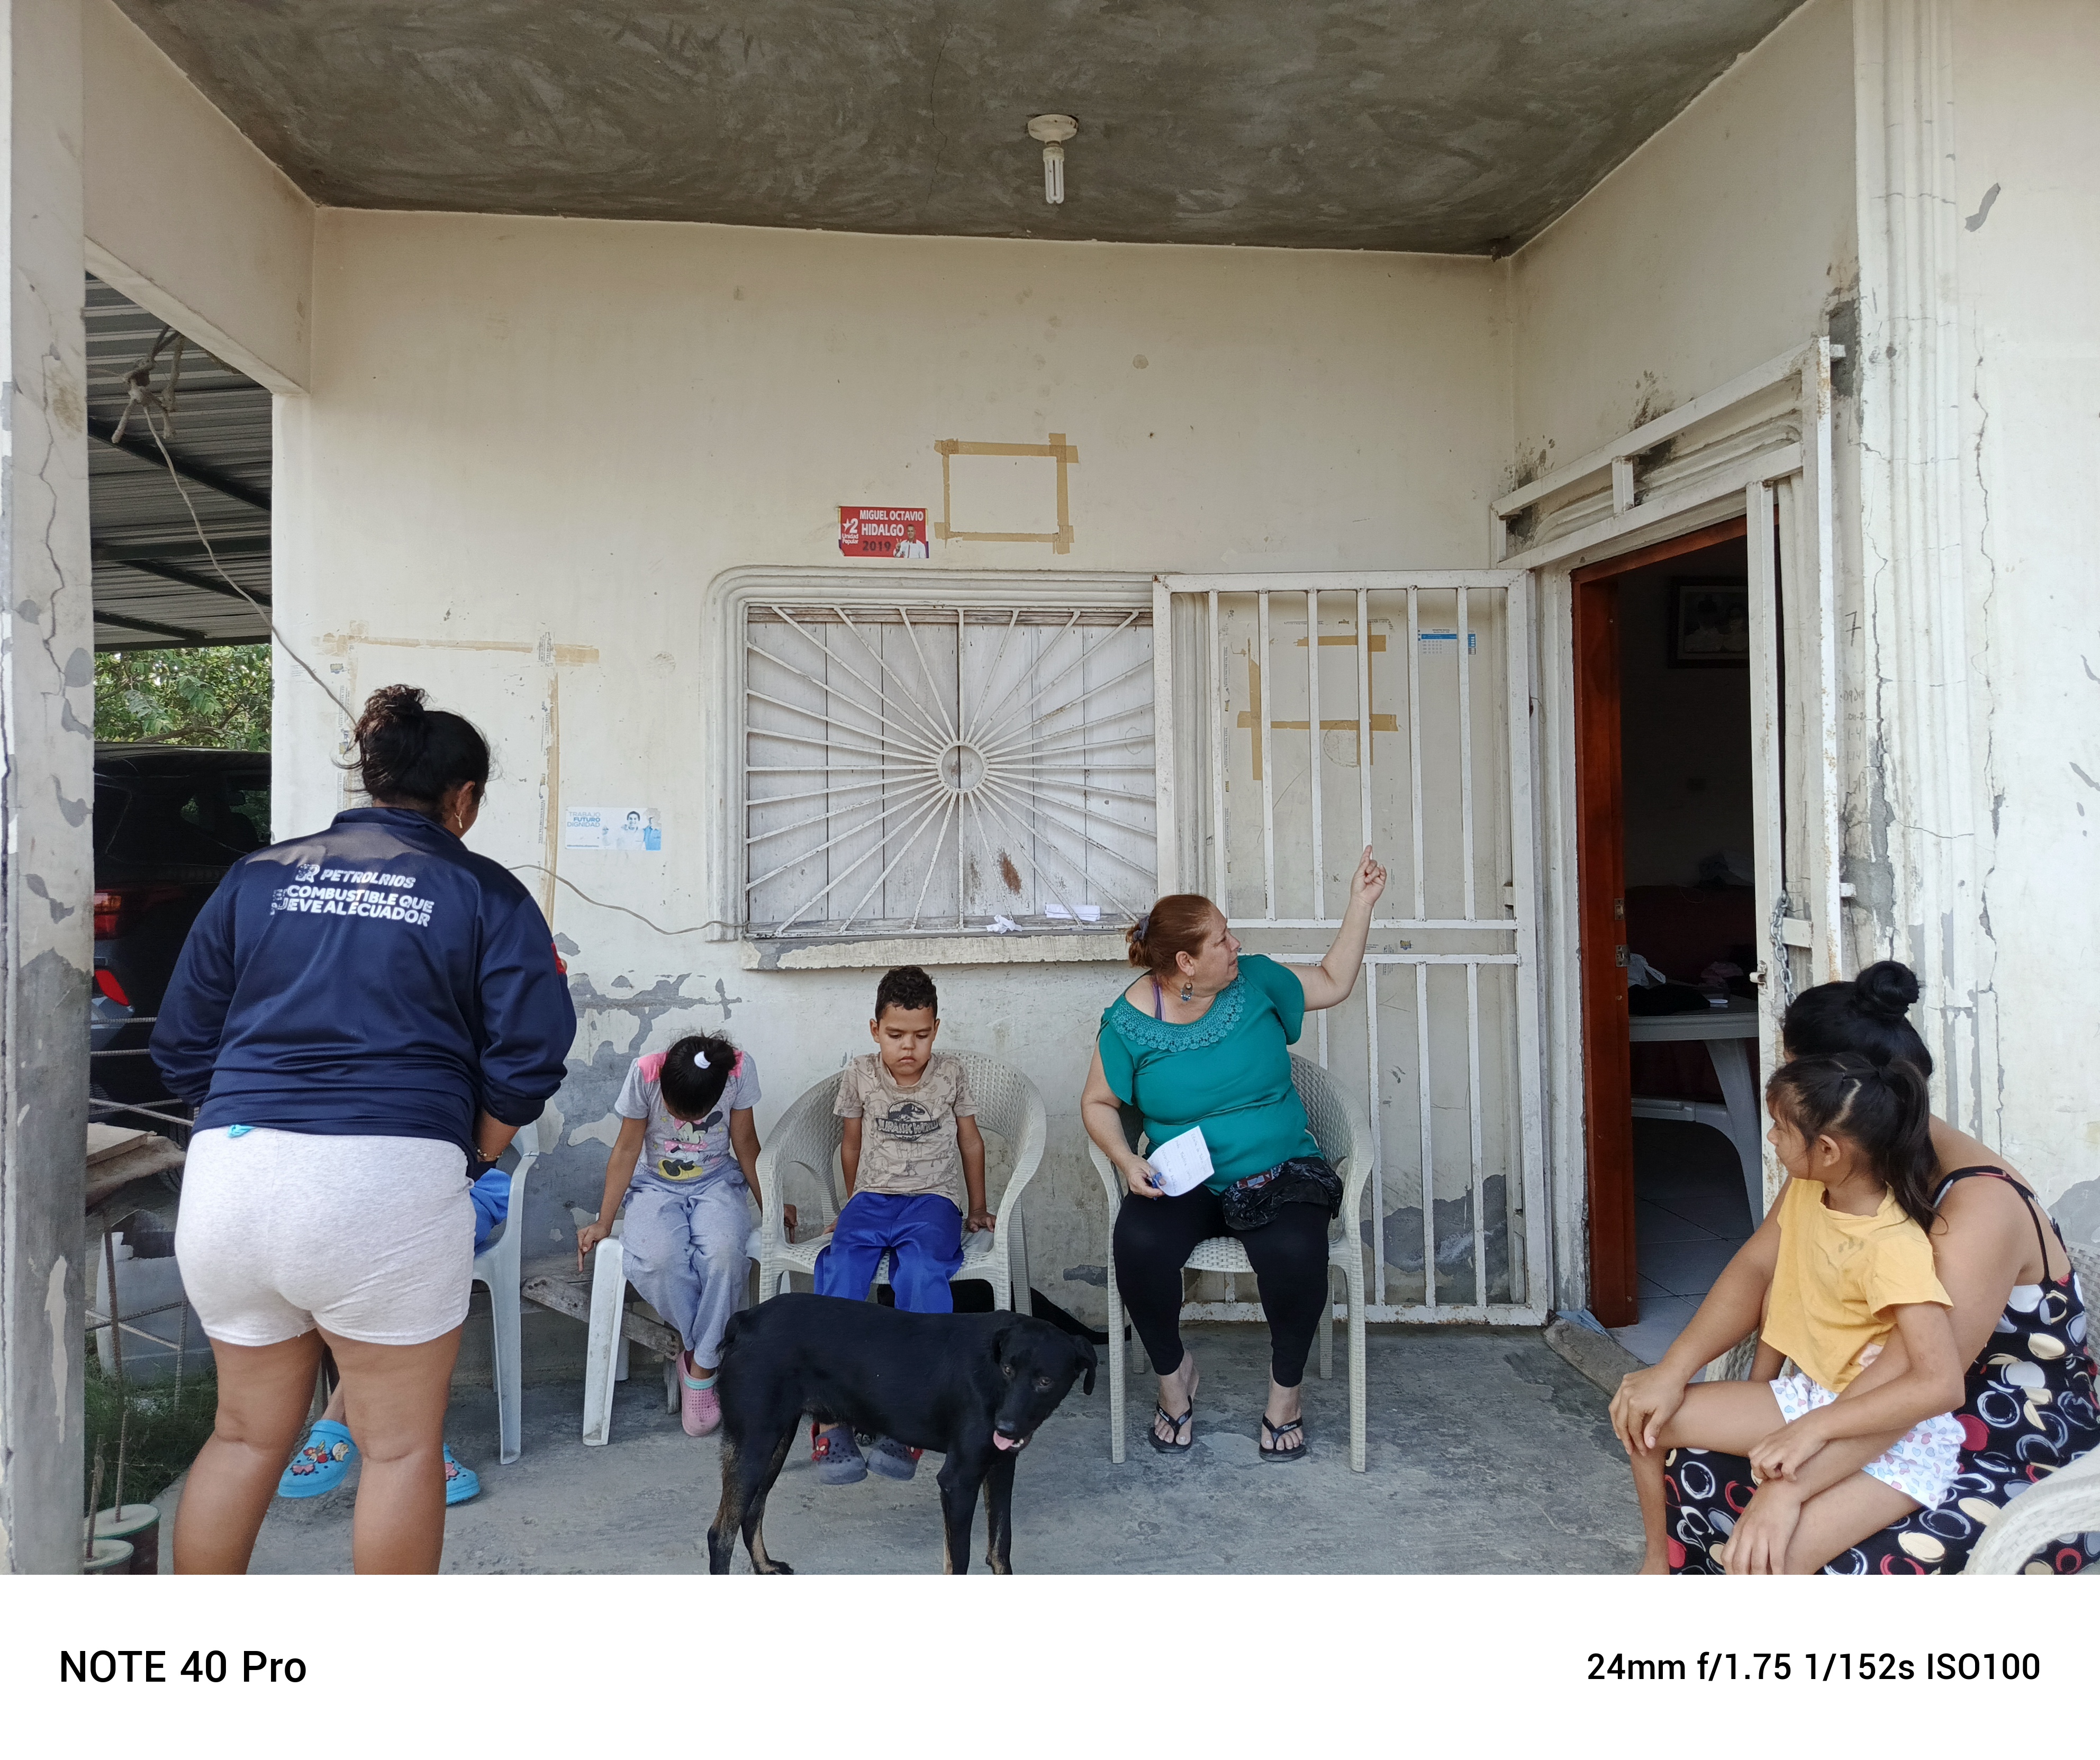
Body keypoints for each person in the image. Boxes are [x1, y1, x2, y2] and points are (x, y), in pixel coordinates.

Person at [154, 684, 576, 1574]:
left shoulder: (259, 874)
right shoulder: (484, 891)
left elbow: (182, 1045)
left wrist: (251, 1129)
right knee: (398, 1449)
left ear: (373, 778)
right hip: (388, 1180)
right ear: (463, 798)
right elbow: (531, 1052)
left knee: (242, 1436)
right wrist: (476, 1155)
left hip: (231, 1180)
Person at [1650, 961, 2099, 1574]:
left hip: (1993, 1438)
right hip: (1864, 1407)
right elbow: (1760, 1261)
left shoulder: (1978, 1206)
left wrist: (1787, 1484)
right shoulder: (1840, 1163)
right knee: (1697, 1463)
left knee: (1821, 1555)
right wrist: (1673, 1369)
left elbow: (1914, 1378)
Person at [1080, 848, 1387, 1463]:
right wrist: (1124, 1159)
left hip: (1278, 1167)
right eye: (1221, 939)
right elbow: (1097, 1102)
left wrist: (1360, 903)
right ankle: (1174, 1377)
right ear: (1185, 963)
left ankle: (1284, 1395)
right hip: (1186, 1176)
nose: (1235, 943)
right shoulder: (1128, 1022)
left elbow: (1332, 981)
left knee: (1296, 1252)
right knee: (1137, 1243)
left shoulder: (1255, 982)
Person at [1613, 1054, 1968, 1571]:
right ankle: (1656, 1567)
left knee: (1761, 1562)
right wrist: (1672, 1371)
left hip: (1895, 1437)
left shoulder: (1892, 1246)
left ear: (1827, 1150)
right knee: (1643, 1417)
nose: (1771, 1137)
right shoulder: (1812, 1189)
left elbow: (1941, 1386)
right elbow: (1765, 1277)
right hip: (1814, 1397)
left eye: (1780, 1127)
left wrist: (1814, 1428)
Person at [808, 965, 991, 1485]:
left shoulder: (951, 1073)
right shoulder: (860, 1073)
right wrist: (852, 1204)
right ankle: (832, 1413)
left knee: (922, 1272)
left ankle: (915, 1411)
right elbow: (850, 1144)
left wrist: (977, 1206)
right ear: (875, 1030)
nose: (909, 1046)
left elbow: (970, 1141)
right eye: (895, 1035)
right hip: (871, 1199)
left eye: (921, 1034)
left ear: (936, 1028)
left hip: (933, 1201)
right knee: (842, 1269)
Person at [575, 1033, 786, 1437]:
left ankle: (700, 1368)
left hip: (717, 1184)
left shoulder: (738, 1071)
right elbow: (627, 1149)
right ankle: (708, 1352)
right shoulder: (645, 1074)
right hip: (655, 1186)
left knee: (725, 1256)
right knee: (658, 1260)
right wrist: (604, 1220)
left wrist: (771, 1205)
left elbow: (745, 1143)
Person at [276, 1164, 514, 1504]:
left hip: (455, 1195)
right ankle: (420, 1441)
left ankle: (342, 1419)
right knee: (385, 1264)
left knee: (409, 1257)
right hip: (362, 1212)